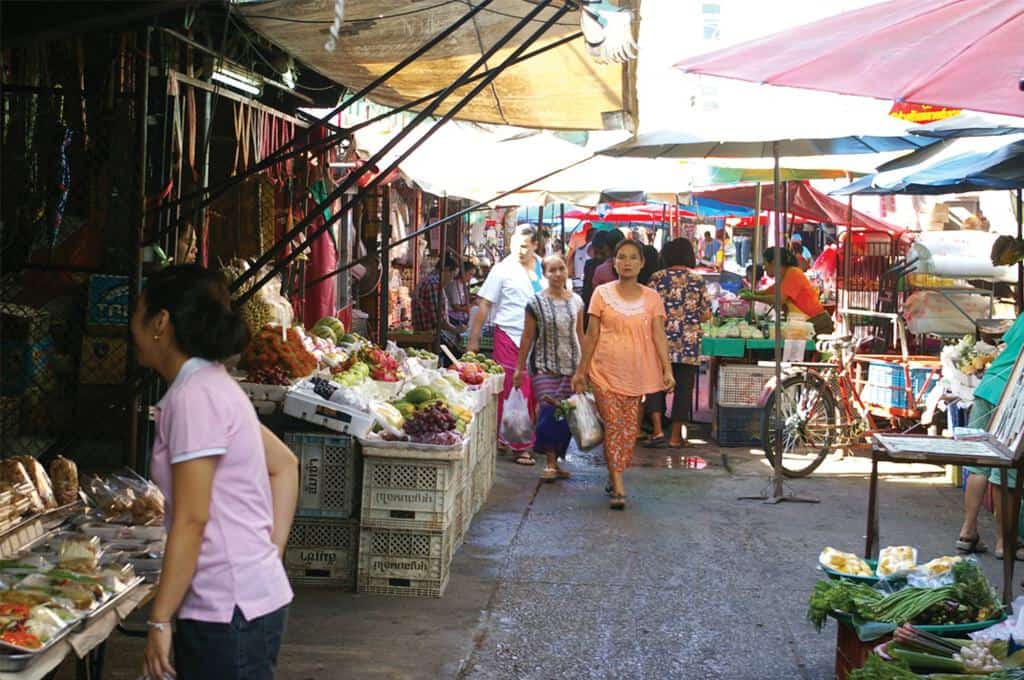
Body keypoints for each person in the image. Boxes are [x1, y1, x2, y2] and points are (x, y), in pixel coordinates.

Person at [130, 265, 298, 680]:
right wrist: (264, 555)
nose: (130, 326)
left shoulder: (194, 398)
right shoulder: (213, 384)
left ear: (161, 322)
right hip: (240, 600)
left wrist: (159, 619)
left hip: (227, 612)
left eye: (137, 312)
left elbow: (192, 518)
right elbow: (284, 466)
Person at [573, 240, 674, 510]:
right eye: (621, 257)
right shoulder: (601, 294)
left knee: (628, 432)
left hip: (637, 374)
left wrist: (667, 369)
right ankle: (618, 486)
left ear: (642, 264)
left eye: (632, 258)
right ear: (614, 262)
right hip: (603, 371)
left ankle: (614, 470)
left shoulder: (652, 298)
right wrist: (581, 371)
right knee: (615, 425)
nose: (627, 262)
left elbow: (658, 336)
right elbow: (591, 335)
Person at [468, 225, 546, 454]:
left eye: (524, 246)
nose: (519, 251)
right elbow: (484, 303)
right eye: (515, 246)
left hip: (537, 338)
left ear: (535, 245)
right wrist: (474, 339)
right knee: (514, 389)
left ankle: (507, 437)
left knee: (532, 391)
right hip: (509, 335)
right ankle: (520, 446)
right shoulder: (502, 269)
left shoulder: (543, 265)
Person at [957, 314, 1024, 558]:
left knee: (980, 464)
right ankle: (1004, 542)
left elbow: (1005, 346)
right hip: (1011, 396)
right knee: (1004, 469)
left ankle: (968, 531)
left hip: (988, 387)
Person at [513, 254, 585, 473]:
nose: (557, 274)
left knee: (565, 417)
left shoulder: (577, 301)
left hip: (571, 366)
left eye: (561, 269)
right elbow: (527, 336)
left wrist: (585, 367)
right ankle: (551, 463)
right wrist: (519, 367)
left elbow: (581, 335)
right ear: (544, 274)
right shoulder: (535, 303)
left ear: (567, 271)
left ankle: (557, 459)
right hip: (543, 366)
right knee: (548, 411)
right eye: (552, 270)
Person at [642, 238, 711, 448]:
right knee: (683, 389)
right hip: (688, 344)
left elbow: (645, 309)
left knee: (655, 385)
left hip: (659, 341)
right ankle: (674, 437)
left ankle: (657, 430)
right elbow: (706, 314)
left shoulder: (656, 278)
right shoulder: (697, 279)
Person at [740, 247, 835, 336]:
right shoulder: (784, 277)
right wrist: (751, 292)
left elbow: (779, 299)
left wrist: (753, 297)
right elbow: (767, 292)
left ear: (774, 263)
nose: (764, 268)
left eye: (765, 264)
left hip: (817, 323)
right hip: (807, 323)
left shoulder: (793, 273)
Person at [413, 252, 466, 355]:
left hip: (428, 337)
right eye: (452, 275)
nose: (451, 280)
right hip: (429, 339)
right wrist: (455, 330)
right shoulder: (434, 284)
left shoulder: (428, 280)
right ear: (446, 270)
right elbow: (438, 320)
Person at [446, 260, 476, 329]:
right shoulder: (454, 285)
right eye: (470, 274)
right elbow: (456, 307)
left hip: (460, 317)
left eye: (472, 275)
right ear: (463, 273)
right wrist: (472, 305)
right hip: (453, 318)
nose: (471, 277)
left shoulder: (462, 285)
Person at [568, 225, 595, 292]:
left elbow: (570, 271)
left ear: (586, 238)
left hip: (576, 284)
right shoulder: (592, 248)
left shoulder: (577, 250)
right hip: (585, 285)